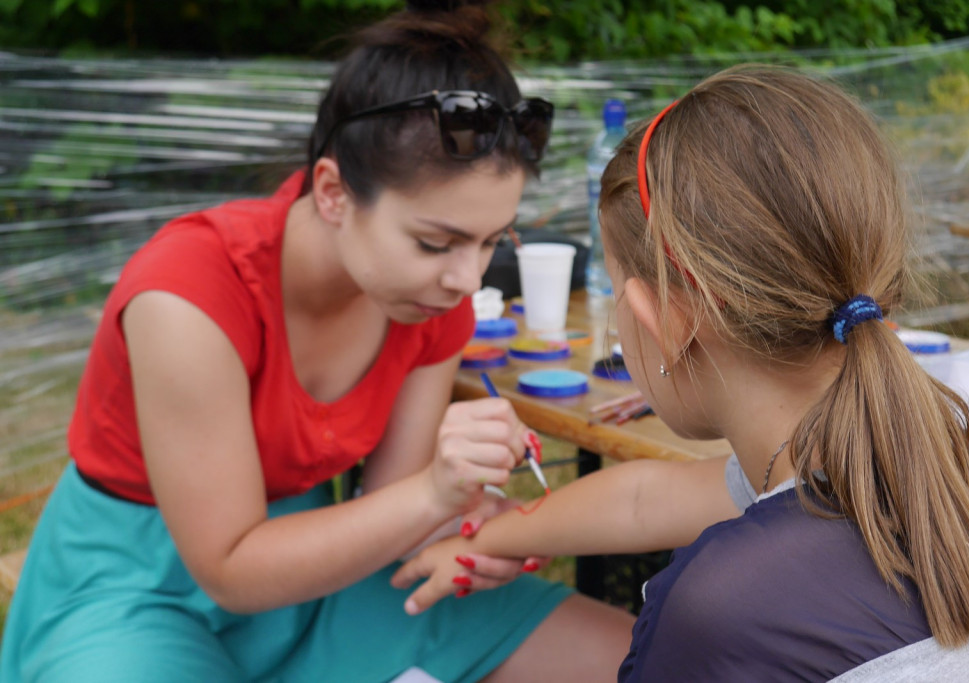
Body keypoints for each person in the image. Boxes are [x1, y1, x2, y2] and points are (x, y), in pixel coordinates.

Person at [0, 2, 636, 681]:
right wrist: (432, 495)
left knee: (632, 652)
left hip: (326, 573)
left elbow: (393, 511)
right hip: (137, 590)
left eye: (491, 240)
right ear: (332, 192)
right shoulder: (188, 294)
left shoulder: (428, 302)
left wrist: (485, 527)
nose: (466, 277)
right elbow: (233, 569)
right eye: (435, 241)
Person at [392, 65, 969, 681]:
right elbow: (644, 500)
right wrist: (492, 536)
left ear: (664, 319)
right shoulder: (946, 463)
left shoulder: (721, 608)